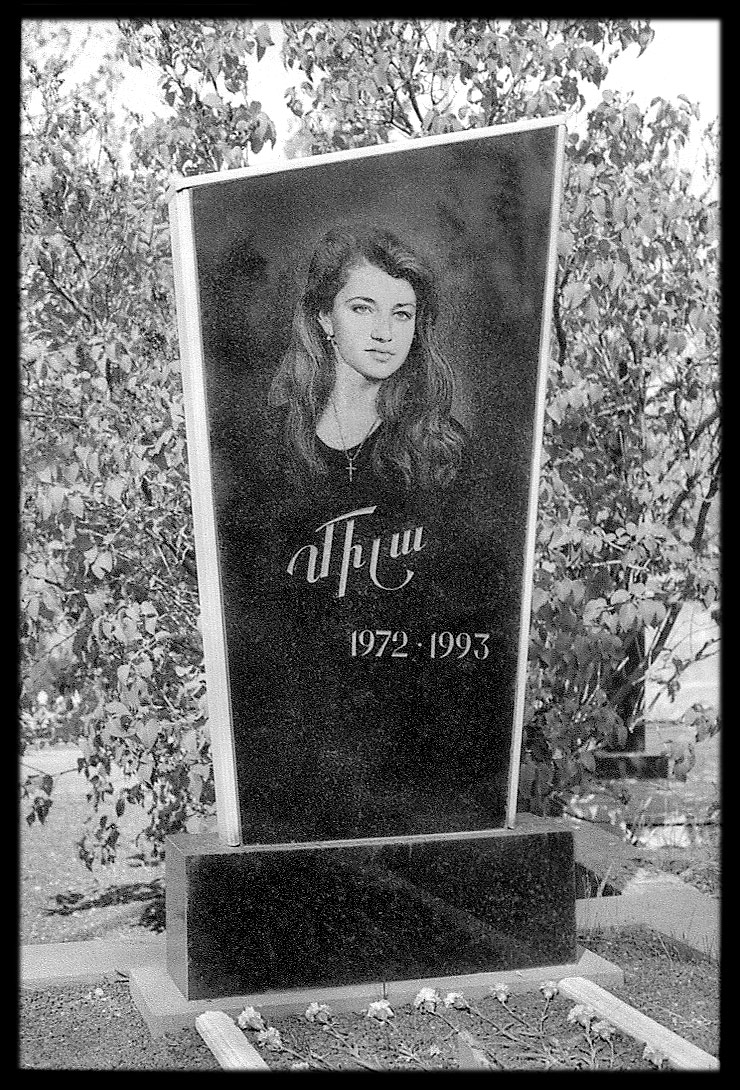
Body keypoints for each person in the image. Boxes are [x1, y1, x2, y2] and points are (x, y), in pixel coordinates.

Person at [219, 224, 512, 842]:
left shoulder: (444, 455)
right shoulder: (271, 453)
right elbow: (254, 619)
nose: (384, 331)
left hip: (416, 757)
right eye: (363, 308)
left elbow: (468, 616)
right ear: (325, 318)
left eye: (402, 314)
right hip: (298, 764)